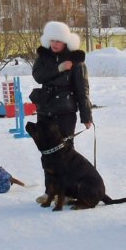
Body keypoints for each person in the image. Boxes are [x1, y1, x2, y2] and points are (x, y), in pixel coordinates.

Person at [30, 21, 94, 203]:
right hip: (45, 110)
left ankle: (67, 192)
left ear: (65, 41)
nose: (54, 44)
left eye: (58, 40)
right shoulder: (43, 56)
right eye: (52, 40)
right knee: (47, 152)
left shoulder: (76, 59)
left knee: (65, 153)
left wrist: (86, 115)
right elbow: (38, 76)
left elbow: (82, 90)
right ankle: (50, 191)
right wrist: (59, 68)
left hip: (65, 111)